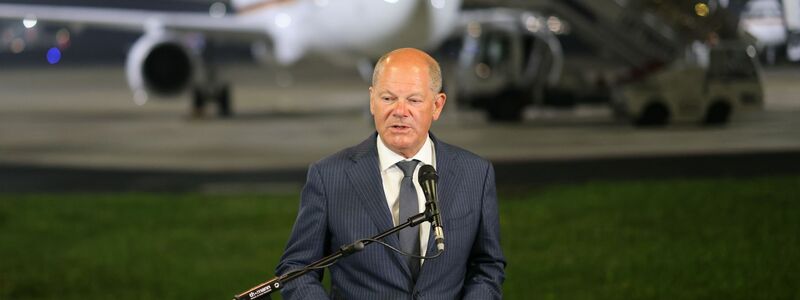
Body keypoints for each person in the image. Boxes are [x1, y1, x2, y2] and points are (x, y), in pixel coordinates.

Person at [276, 48, 505, 299]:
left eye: (414, 100)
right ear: (372, 101)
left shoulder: (475, 173)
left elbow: (487, 266)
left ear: (437, 105)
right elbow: (297, 270)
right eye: (388, 98)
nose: (400, 111)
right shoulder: (329, 176)